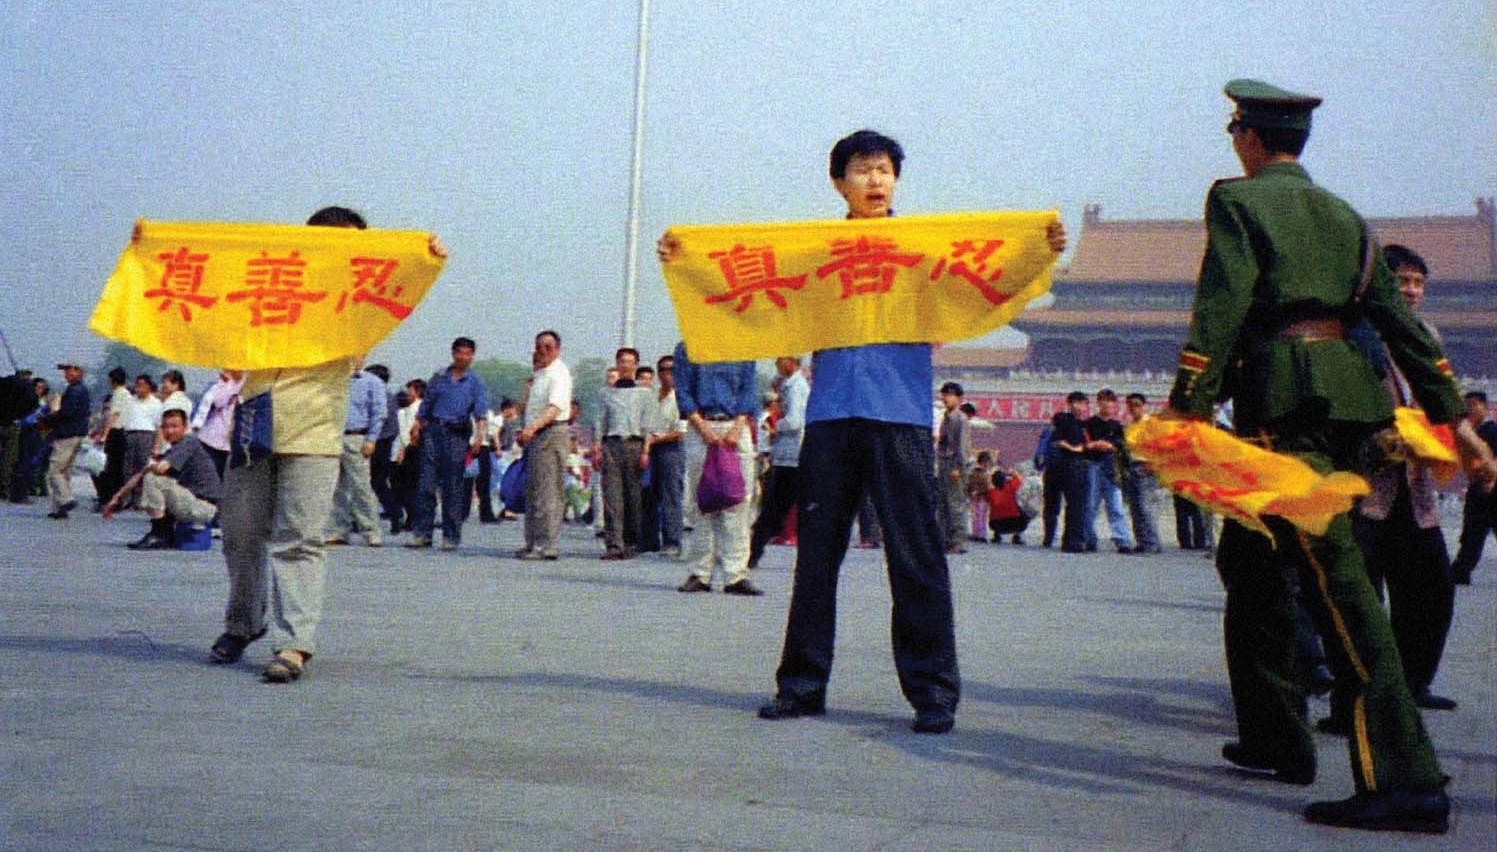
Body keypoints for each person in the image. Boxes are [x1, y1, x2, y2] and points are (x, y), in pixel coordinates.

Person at [1166, 80, 1496, 832]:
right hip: (1347, 402)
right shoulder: (1346, 216)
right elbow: (1398, 324)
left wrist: (1188, 401)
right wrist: (1456, 420)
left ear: (1248, 137)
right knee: (1252, 557)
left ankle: (1406, 778)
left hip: (1284, 408)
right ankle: (1274, 735)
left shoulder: (1237, 202)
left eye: (1234, 132)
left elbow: (1221, 302)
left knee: (1338, 585)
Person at [717, 128, 1064, 733]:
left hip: (900, 416)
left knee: (916, 555)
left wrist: (1042, 251)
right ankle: (801, 685)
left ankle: (933, 693)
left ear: (896, 180)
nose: (875, 180)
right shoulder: (815, 253)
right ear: (838, 183)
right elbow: (745, 285)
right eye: (862, 170)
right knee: (816, 559)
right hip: (831, 417)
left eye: (884, 170)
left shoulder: (922, 252)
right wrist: (684, 259)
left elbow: (986, 282)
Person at [211, 205, 447, 684]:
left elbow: (391, 302)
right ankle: (244, 622)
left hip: (315, 429)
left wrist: (425, 260)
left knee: (300, 536)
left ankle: (294, 642)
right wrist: (151, 250)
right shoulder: (272, 280)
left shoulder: (356, 301)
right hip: (256, 420)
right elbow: (218, 296)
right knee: (240, 532)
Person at [1345, 245, 1458, 713]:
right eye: (1402, 281)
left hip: (1415, 486)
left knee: (1433, 588)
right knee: (1361, 597)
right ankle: (1355, 699)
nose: (1411, 291)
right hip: (1365, 485)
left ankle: (1413, 684)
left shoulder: (1426, 336)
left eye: (1418, 282)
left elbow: (1441, 401)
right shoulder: (1354, 335)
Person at [669, 340, 761, 595]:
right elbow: (683, 391)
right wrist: (703, 428)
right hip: (701, 426)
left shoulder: (743, 344)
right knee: (701, 502)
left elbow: (748, 389)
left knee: (739, 501)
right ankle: (701, 572)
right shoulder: (688, 346)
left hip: (736, 426)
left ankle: (736, 574)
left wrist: (738, 427)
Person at [408, 337, 487, 551]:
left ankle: (451, 536)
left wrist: (479, 436)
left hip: (457, 436)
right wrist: (416, 426)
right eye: (459, 352)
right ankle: (422, 533)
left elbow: (480, 413)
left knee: (453, 487)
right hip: (433, 432)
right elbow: (426, 405)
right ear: (453, 353)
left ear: (472, 356)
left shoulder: (474, 382)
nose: (463, 357)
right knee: (425, 484)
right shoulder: (439, 377)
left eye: (467, 353)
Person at [105, 407, 221, 549]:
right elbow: (141, 474)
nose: (169, 431)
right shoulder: (174, 449)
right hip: (193, 504)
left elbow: (160, 468)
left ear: (185, 427)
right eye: (165, 427)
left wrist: (149, 467)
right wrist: (117, 497)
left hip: (203, 507)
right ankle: (164, 531)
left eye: (174, 426)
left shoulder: (189, 442)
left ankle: (160, 533)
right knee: (150, 477)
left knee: (153, 479)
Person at [748, 356, 809, 569]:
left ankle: (754, 550)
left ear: (790, 361)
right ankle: (755, 548)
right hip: (788, 454)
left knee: (774, 506)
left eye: (780, 361)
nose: (777, 366)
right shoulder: (788, 385)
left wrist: (775, 427)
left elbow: (794, 421)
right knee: (778, 507)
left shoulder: (796, 387)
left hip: (792, 456)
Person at [516, 330, 572, 560]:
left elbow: (554, 408)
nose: (543, 351)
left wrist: (532, 428)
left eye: (548, 347)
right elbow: (522, 407)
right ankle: (532, 542)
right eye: (540, 347)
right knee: (533, 491)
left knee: (548, 491)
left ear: (557, 349)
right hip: (535, 435)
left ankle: (547, 544)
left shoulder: (559, 373)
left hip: (551, 432)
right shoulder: (540, 374)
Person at [598, 347, 654, 559]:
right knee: (612, 496)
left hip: (635, 444)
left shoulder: (644, 394)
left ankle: (631, 542)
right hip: (612, 444)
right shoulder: (606, 393)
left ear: (636, 365)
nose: (626, 366)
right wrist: (597, 448)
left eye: (630, 362)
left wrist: (646, 451)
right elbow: (600, 423)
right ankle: (614, 544)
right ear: (617, 364)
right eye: (622, 361)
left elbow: (648, 425)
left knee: (633, 496)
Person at [326, 357, 387, 547]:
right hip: (332, 436)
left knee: (361, 486)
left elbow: (379, 413)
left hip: (356, 437)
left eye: (358, 355)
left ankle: (371, 531)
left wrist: (371, 439)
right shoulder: (333, 379)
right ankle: (338, 530)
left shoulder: (371, 382)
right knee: (335, 487)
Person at [640, 353, 685, 556]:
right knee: (649, 493)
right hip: (651, 448)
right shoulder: (652, 397)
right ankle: (649, 539)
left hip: (671, 449)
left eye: (671, 370)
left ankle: (672, 540)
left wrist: (656, 439)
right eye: (663, 370)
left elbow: (681, 431)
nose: (667, 374)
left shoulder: (681, 397)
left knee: (671, 495)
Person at [1450, 390, 1497, 584]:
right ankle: (1460, 571)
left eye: (1474, 404)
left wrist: (1491, 481)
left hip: (1492, 489)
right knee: (1471, 534)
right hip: (1477, 490)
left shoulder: (1492, 430)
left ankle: (1460, 570)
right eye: (1467, 405)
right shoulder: (1471, 432)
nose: (1470, 409)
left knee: (1473, 533)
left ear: (1485, 406)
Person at [1082, 389, 1136, 554]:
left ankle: (1123, 540)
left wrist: (1111, 446)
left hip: (1111, 468)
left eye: (1111, 403)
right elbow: (1083, 444)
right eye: (1104, 402)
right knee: (1090, 505)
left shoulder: (1116, 426)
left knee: (1116, 506)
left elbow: (1122, 446)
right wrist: (1093, 445)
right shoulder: (1089, 424)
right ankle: (1089, 539)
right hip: (1093, 466)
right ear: (1098, 403)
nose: (1107, 406)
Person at [40, 359, 91, 519]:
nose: (66, 373)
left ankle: (66, 499)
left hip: (67, 434)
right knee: (64, 472)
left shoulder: (74, 390)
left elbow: (66, 413)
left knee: (54, 470)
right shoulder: (82, 389)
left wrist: (46, 419)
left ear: (79, 371)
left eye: (70, 370)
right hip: (77, 433)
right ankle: (58, 508)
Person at [1120, 393, 1163, 554]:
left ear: (1144, 406)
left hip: (1146, 467)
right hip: (1133, 467)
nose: (1133, 408)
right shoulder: (1130, 426)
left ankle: (1152, 542)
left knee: (1145, 507)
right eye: (1130, 405)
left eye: (1137, 405)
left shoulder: (1151, 424)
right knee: (1135, 508)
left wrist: (1154, 464)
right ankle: (1142, 541)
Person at [1050, 391, 1092, 552]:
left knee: (1080, 505)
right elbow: (1057, 441)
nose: (1081, 407)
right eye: (1077, 403)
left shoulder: (1083, 425)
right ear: (1070, 404)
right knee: (1074, 503)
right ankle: (1072, 542)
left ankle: (1077, 539)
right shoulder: (1064, 420)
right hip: (1069, 464)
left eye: (1084, 404)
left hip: (1083, 465)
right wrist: (1074, 449)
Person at [119, 374, 163, 510]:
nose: (139, 388)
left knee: (143, 468)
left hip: (146, 435)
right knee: (128, 468)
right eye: (137, 385)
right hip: (130, 434)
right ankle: (127, 498)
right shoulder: (130, 401)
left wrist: (156, 446)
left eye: (142, 385)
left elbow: (159, 427)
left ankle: (140, 500)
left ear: (148, 386)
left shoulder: (156, 403)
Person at [190, 369, 244, 481]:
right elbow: (217, 401)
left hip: (230, 440)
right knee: (207, 474)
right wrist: (226, 383)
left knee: (219, 476)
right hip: (211, 436)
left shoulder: (246, 384)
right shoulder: (221, 383)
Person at [936, 381, 970, 554]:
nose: (946, 398)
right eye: (944, 394)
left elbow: (962, 446)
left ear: (959, 398)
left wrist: (957, 467)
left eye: (950, 395)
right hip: (943, 463)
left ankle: (958, 541)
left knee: (955, 503)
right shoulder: (946, 417)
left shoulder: (960, 418)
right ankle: (944, 540)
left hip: (954, 463)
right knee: (943, 503)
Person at [94, 366, 132, 508]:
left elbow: (114, 415)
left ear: (112, 380)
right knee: (118, 468)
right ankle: (118, 499)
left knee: (110, 468)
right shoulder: (128, 394)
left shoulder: (118, 393)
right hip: (124, 432)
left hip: (115, 432)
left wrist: (104, 434)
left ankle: (107, 498)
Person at [985, 455, 1032, 544]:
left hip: (996, 524)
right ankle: (1017, 536)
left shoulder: (991, 492)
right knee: (1023, 514)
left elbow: (987, 498)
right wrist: (1012, 473)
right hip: (1014, 522)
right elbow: (1018, 480)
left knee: (995, 515)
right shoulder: (1010, 487)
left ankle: (997, 536)